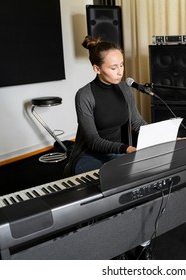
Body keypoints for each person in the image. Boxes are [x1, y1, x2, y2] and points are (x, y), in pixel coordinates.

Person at [64, 36, 151, 259]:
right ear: (96, 68)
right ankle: (113, 248)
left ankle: (142, 245)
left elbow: (138, 123)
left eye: (121, 65)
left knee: (144, 188)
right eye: (113, 67)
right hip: (90, 155)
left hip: (120, 152)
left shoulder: (124, 89)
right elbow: (92, 140)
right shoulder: (84, 95)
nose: (120, 71)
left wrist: (163, 135)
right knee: (110, 198)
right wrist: (126, 149)